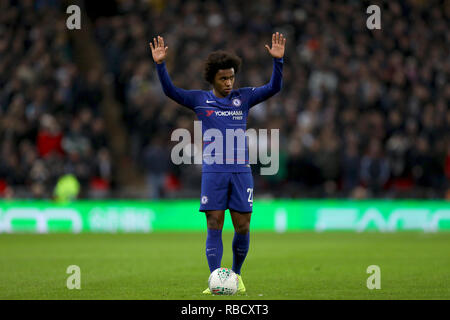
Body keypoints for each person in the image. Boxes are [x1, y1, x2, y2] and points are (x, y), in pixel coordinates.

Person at [149, 32, 285, 294]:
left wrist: (278, 63)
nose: (229, 82)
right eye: (223, 78)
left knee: (242, 225)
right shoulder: (200, 100)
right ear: (212, 78)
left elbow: (274, 88)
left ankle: (237, 274)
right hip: (214, 170)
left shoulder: (243, 97)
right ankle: (215, 280)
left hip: (241, 169)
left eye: (232, 77)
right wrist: (160, 64)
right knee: (214, 223)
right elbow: (170, 91)